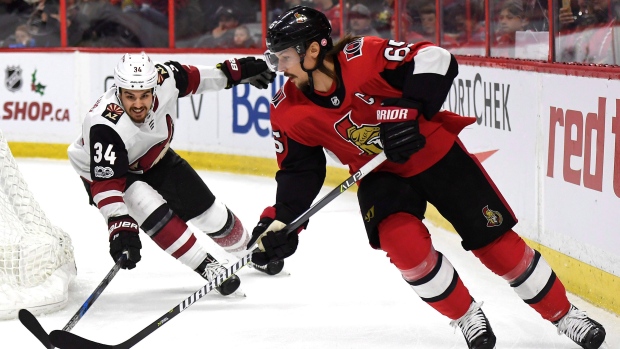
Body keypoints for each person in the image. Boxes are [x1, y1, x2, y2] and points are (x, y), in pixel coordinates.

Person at [247, 6, 607, 349]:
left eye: (284, 57)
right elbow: (299, 172)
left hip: (435, 155)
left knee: (497, 247)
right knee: (404, 246)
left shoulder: (363, 56)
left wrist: (409, 110)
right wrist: (284, 221)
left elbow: (436, 58)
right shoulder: (287, 110)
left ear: (312, 50)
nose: (279, 67)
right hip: (381, 176)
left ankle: (564, 315)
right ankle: (466, 316)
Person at [67, 53, 281, 297]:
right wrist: (119, 226)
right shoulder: (104, 125)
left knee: (210, 212)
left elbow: (195, 79)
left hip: (153, 156)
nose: (138, 104)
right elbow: (107, 185)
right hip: (112, 173)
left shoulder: (164, 78)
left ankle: (249, 251)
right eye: (130, 96)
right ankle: (206, 265)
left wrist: (231, 74)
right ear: (118, 90)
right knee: (145, 203)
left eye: (144, 95)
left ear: (154, 88)